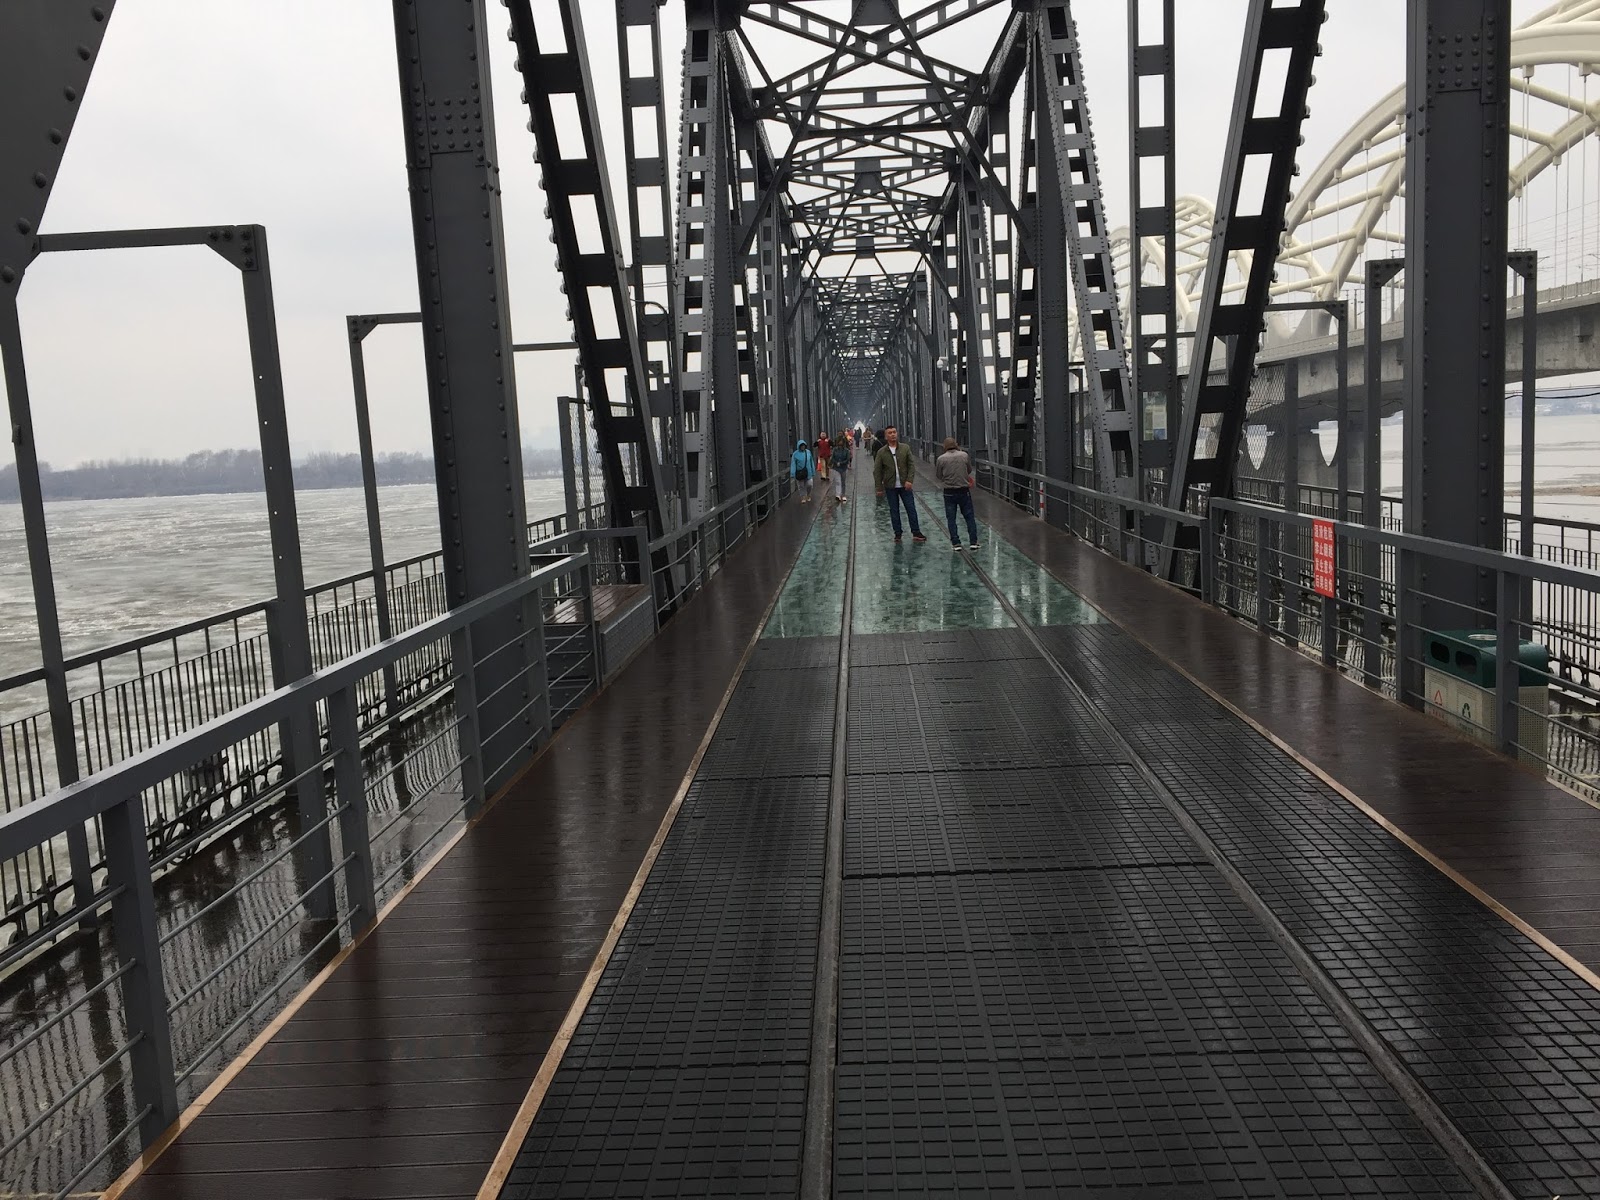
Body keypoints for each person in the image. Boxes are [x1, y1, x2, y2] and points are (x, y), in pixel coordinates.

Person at [873, 425, 925, 543]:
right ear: (886, 436)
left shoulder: (905, 448)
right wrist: (879, 487)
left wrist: (909, 480)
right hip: (890, 486)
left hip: (905, 485)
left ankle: (916, 532)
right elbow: (877, 471)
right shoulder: (881, 452)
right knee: (894, 510)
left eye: (894, 432)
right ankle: (898, 533)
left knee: (911, 509)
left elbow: (911, 465)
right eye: (890, 433)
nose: (893, 434)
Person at [936, 436, 980, 550]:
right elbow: (969, 470)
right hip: (964, 490)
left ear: (945, 446)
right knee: (969, 517)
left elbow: (939, 475)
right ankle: (973, 542)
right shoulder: (964, 455)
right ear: (956, 444)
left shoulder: (941, 459)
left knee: (951, 518)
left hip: (949, 492)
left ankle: (956, 543)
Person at [830, 429, 852, 503]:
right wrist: (836, 463)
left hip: (843, 467)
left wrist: (842, 463)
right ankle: (838, 495)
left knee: (843, 481)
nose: (840, 443)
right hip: (836, 467)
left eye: (841, 442)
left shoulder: (846, 450)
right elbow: (832, 457)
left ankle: (843, 494)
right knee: (838, 481)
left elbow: (847, 459)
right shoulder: (835, 450)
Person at [789, 438, 814, 503]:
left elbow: (811, 462)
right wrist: (792, 473)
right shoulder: (795, 454)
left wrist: (813, 471)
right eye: (801, 446)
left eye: (804, 445)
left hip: (808, 472)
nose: (803, 447)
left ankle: (808, 494)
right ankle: (803, 497)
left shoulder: (808, 452)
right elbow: (793, 464)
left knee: (810, 484)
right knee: (801, 486)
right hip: (799, 472)